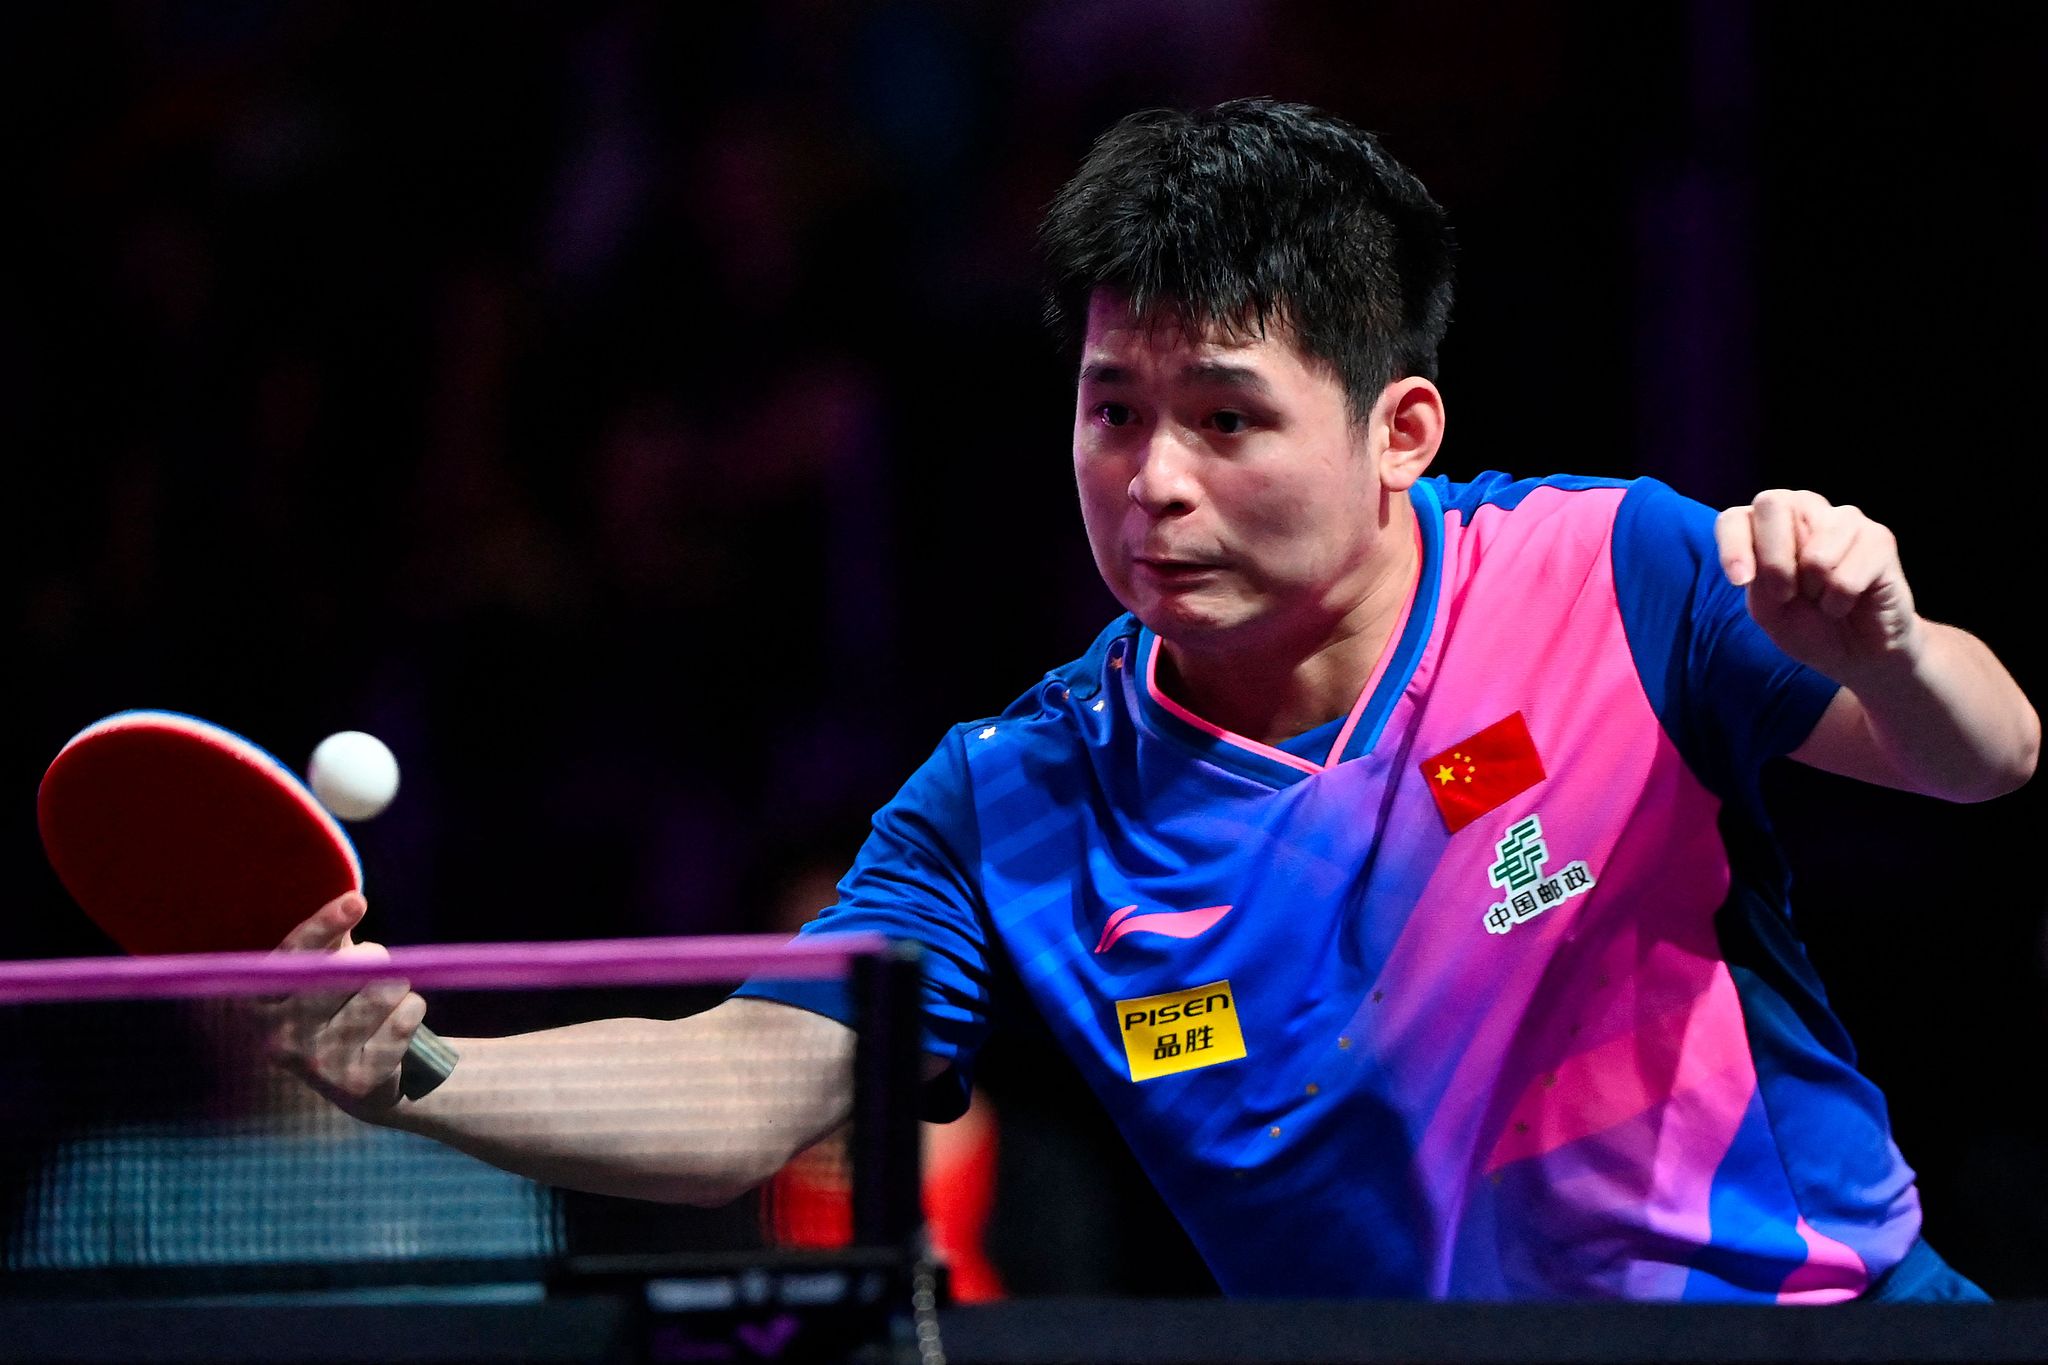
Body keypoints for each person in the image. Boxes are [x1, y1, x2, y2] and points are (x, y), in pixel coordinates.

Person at [270, 100, 2037, 1301]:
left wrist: (1884, 639)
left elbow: (1988, 755)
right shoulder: (1016, 803)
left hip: (1830, 1324)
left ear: (1398, 431)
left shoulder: (1617, 577)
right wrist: (420, 1063)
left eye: (1227, 416)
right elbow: (748, 1080)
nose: (1153, 483)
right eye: (1114, 410)